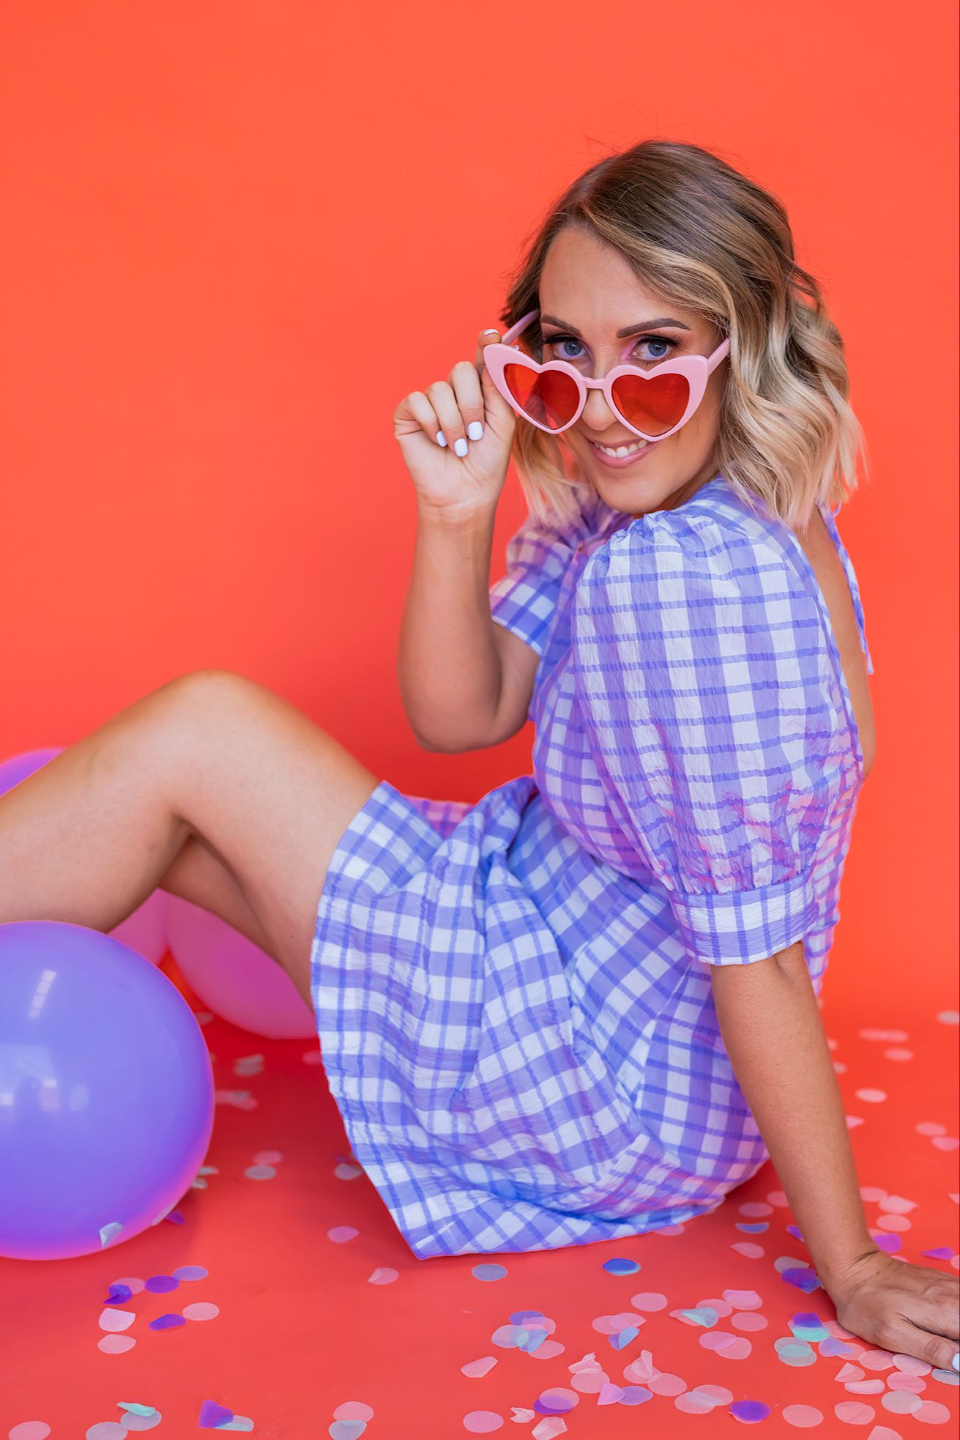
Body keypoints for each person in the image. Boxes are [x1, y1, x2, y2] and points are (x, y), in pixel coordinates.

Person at [1, 138, 957, 1370]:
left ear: (749, 343)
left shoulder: (687, 581)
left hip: (593, 1074)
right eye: (563, 350)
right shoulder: (711, 499)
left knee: (202, 728)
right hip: (595, 996)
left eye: (654, 352)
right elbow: (465, 714)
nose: (600, 405)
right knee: (170, 816)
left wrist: (856, 1266)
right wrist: (457, 511)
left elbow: (759, 955)